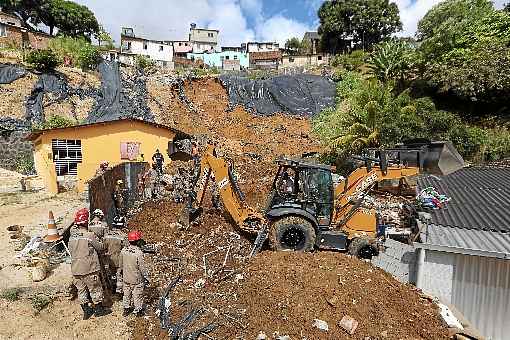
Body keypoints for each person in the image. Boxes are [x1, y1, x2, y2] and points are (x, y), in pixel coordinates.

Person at [68, 208, 111, 320]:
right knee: (95, 288)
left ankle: (86, 311)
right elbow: (100, 247)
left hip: (76, 270)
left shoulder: (72, 237)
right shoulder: (89, 235)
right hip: (89, 269)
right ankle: (99, 310)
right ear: (86, 222)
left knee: (81, 290)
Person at [120, 230, 149, 317]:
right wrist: (146, 277)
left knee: (126, 294)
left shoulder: (124, 250)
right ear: (138, 241)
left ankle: (126, 309)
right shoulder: (138, 253)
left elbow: (120, 264)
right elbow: (142, 268)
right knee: (137, 295)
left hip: (126, 277)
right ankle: (138, 311)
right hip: (136, 279)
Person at [103, 226, 129, 295]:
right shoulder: (123, 236)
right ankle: (119, 291)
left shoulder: (107, 235)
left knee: (112, 274)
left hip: (110, 259)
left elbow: (103, 247)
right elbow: (127, 248)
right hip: (119, 259)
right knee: (119, 275)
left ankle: (113, 287)